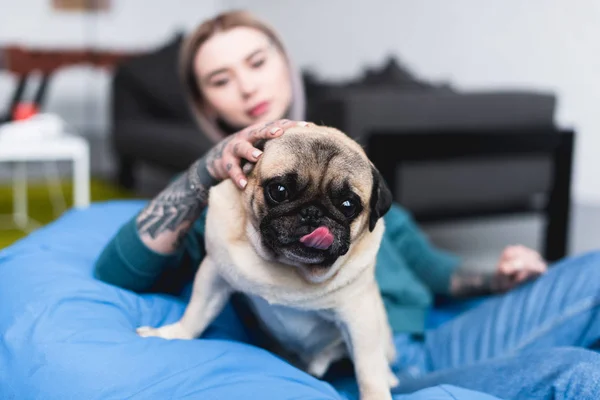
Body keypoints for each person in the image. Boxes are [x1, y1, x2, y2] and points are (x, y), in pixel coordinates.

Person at [94, 9, 600, 399]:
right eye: (220, 79)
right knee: (579, 374)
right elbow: (118, 270)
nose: (247, 85)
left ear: (285, 65)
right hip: (376, 373)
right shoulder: (220, 207)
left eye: (256, 61)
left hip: (434, 334)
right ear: (205, 104)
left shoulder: (355, 170)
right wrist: (208, 166)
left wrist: (496, 279)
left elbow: (435, 271)